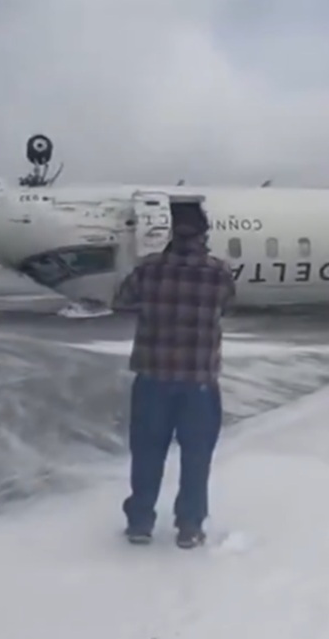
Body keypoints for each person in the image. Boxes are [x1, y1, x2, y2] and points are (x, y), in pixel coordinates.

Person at [112, 204, 235, 548]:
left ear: (172, 230)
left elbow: (121, 301)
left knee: (147, 452)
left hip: (153, 378)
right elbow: (226, 305)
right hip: (199, 381)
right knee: (197, 456)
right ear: (203, 233)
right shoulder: (218, 273)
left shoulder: (150, 270)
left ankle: (140, 522)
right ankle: (190, 526)